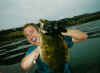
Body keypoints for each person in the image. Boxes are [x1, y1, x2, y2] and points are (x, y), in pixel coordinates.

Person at [21, 23, 88, 73]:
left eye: (31, 32)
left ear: (39, 31)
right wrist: (40, 47)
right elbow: (24, 66)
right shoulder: (32, 50)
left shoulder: (57, 40)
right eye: (27, 35)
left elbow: (83, 36)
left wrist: (61, 31)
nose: (30, 36)